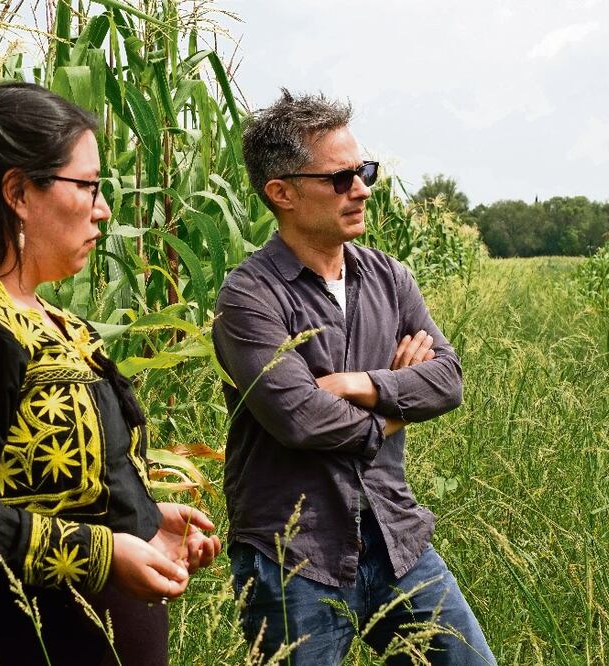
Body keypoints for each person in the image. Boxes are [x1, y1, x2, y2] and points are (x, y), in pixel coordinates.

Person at [0, 82, 221, 666]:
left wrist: (146, 523)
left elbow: (59, 482)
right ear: (19, 191)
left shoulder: (61, 323)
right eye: (89, 186)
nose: (103, 208)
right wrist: (101, 555)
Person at [212, 90, 496, 665]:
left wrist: (359, 385)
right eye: (341, 178)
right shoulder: (248, 298)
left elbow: (449, 379)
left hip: (397, 538)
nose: (363, 189)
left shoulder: (390, 278)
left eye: (364, 172)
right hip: (295, 557)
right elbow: (301, 420)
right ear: (282, 193)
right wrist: (395, 407)